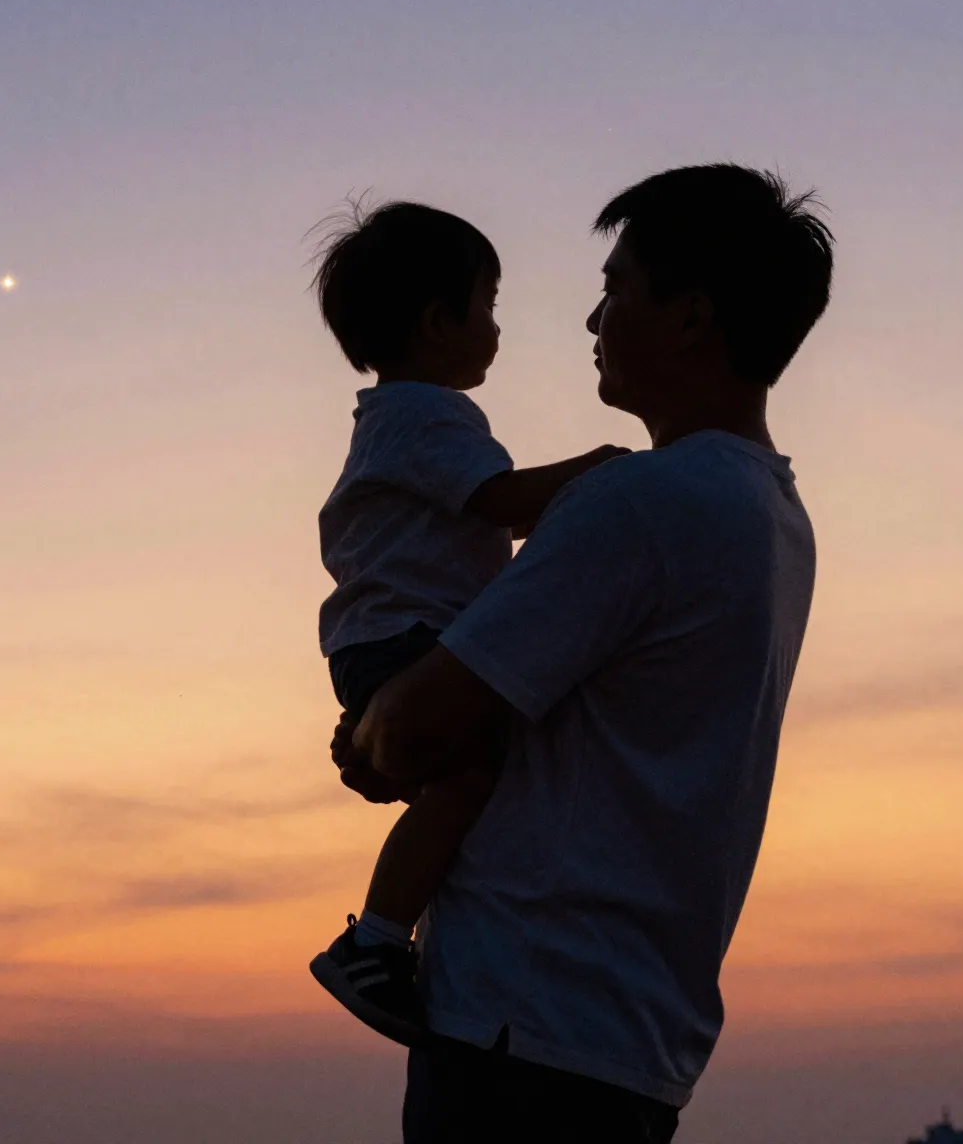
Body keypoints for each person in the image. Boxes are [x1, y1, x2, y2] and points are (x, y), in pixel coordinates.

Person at [338, 164, 834, 1143]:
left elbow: (411, 728)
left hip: (522, 1029)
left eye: (613, 290)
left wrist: (374, 732)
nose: (591, 320)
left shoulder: (640, 503)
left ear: (689, 317)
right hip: (629, 1035)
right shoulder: (771, 515)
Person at [305, 200, 629, 1045]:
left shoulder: (397, 419)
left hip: (389, 641)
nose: (495, 328)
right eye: (487, 307)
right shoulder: (428, 415)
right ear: (438, 321)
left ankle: (387, 934)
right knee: (469, 777)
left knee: (469, 780)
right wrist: (599, 474)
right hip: (409, 637)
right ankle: (375, 938)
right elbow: (501, 500)